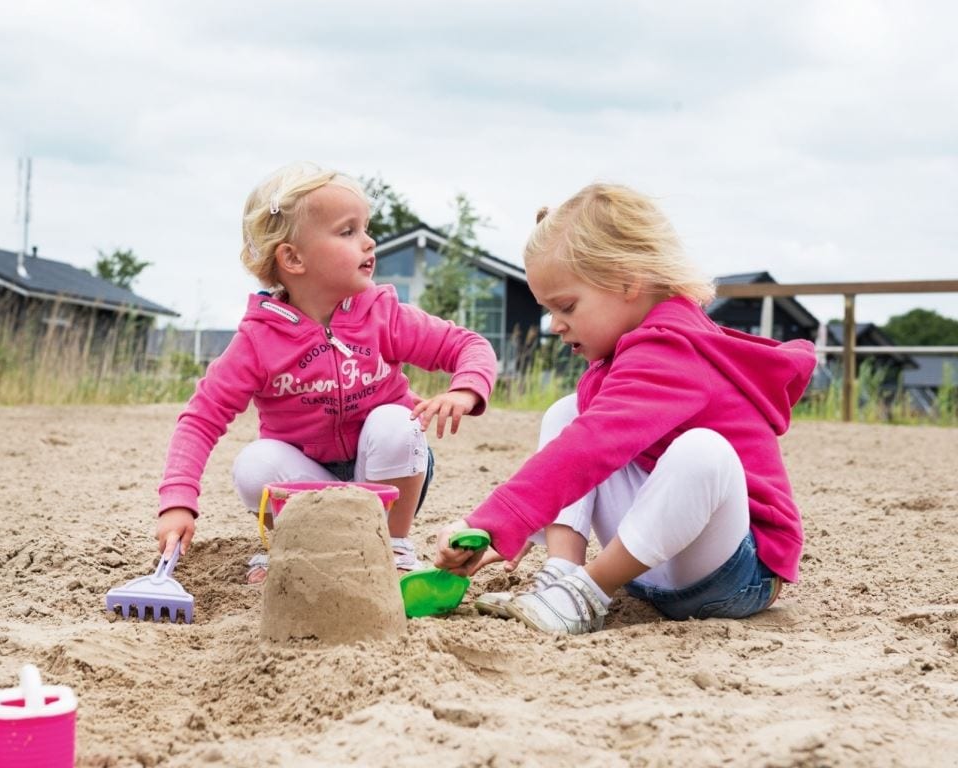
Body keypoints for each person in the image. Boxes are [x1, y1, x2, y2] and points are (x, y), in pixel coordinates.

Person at [434, 182, 816, 634]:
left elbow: (593, 446)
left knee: (703, 450)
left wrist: (498, 519)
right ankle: (563, 574)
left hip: (736, 573)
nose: (555, 325)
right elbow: (586, 442)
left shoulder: (674, 349)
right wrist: (514, 529)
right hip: (654, 566)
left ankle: (584, 593)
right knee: (568, 412)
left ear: (627, 280)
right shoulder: (624, 351)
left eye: (566, 306)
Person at [156, 162, 497, 581]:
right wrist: (177, 500)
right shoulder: (259, 340)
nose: (369, 242)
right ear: (293, 258)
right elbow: (201, 418)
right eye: (348, 231)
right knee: (253, 464)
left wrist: (465, 390)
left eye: (365, 227)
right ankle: (297, 548)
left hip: (384, 476)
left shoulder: (383, 315)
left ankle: (393, 548)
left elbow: (468, 345)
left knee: (396, 421)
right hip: (306, 480)